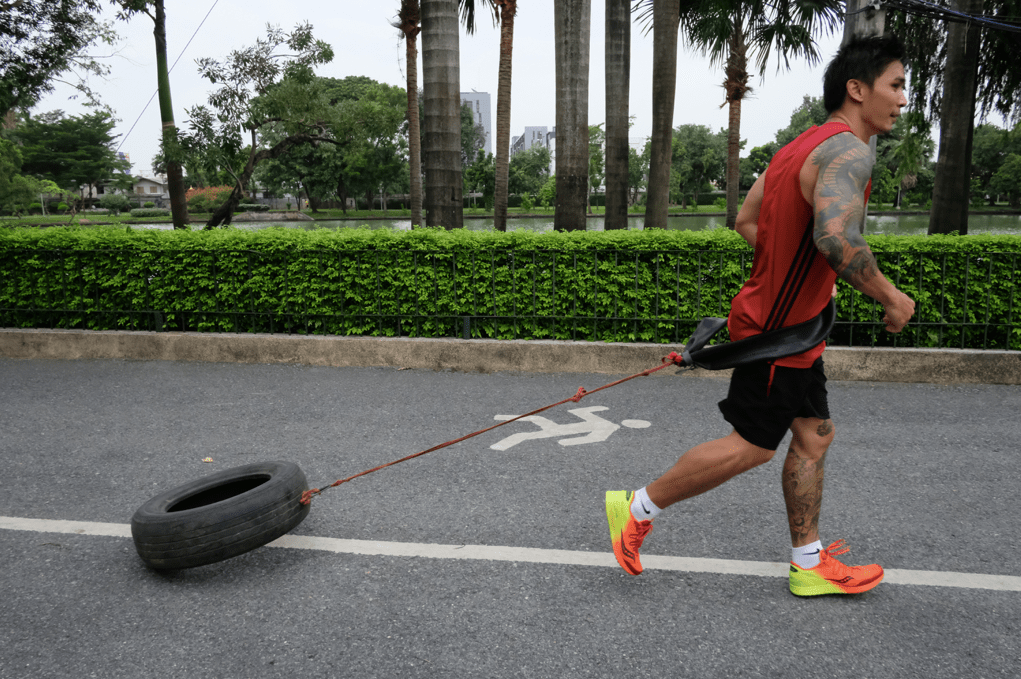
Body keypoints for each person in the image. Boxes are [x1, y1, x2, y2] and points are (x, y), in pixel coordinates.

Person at [605, 34, 916, 596]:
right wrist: (891, 298)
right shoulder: (849, 150)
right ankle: (637, 506)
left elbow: (749, 221)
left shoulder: (797, 148)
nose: (901, 99)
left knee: (814, 435)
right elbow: (836, 238)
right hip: (780, 335)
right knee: (750, 444)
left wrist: (794, 282)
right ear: (857, 88)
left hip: (790, 325)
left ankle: (808, 562)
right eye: (894, 85)